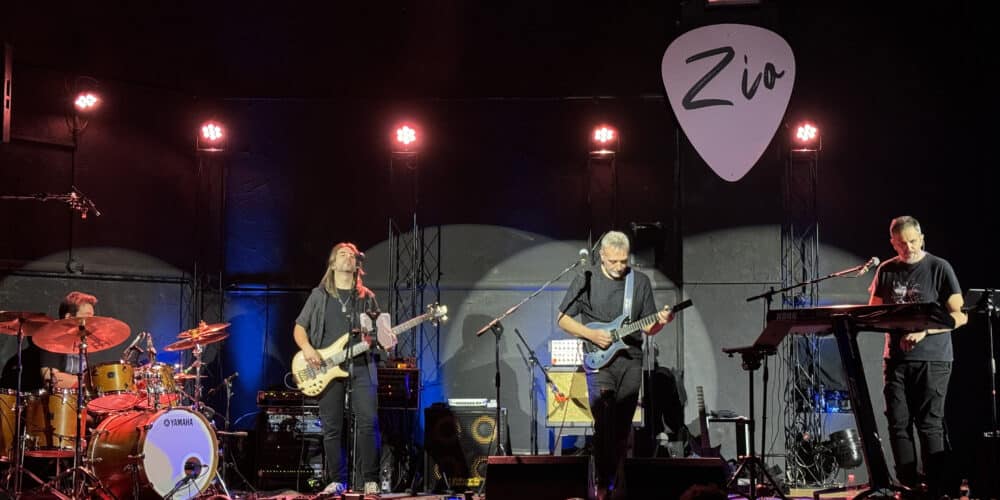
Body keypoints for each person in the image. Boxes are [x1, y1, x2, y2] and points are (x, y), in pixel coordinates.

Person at [556, 231, 673, 500]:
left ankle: (614, 482)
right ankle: (602, 481)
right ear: (602, 256)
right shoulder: (586, 278)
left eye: (624, 261)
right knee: (604, 418)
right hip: (598, 359)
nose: (620, 266)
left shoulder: (639, 282)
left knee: (621, 426)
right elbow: (562, 319)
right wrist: (591, 334)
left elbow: (649, 327)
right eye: (613, 261)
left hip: (630, 360)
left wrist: (661, 322)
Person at [868, 216, 968, 497]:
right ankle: (908, 485)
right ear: (893, 243)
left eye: (913, 241)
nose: (908, 248)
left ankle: (935, 487)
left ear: (922, 238)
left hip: (933, 359)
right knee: (897, 423)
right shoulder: (886, 270)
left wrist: (925, 332)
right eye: (901, 243)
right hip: (896, 359)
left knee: (929, 423)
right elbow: (872, 313)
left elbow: (960, 316)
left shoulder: (939, 267)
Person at [293, 242, 389, 496]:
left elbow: (380, 334)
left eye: (352, 255)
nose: (348, 258)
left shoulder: (366, 297)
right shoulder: (320, 295)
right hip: (325, 367)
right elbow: (299, 328)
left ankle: (370, 480)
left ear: (358, 264)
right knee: (332, 427)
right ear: (333, 264)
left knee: (368, 422)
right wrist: (308, 349)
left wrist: (385, 339)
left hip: (362, 364)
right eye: (342, 254)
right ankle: (337, 480)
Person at [39, 291, 98, 389]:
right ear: (69, 317)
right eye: (88, 315)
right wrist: (88, 382)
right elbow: (50, 378)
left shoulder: (84, 343)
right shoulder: (53, 342)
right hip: (62, 397)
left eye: (93, 316)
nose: (92, 320)